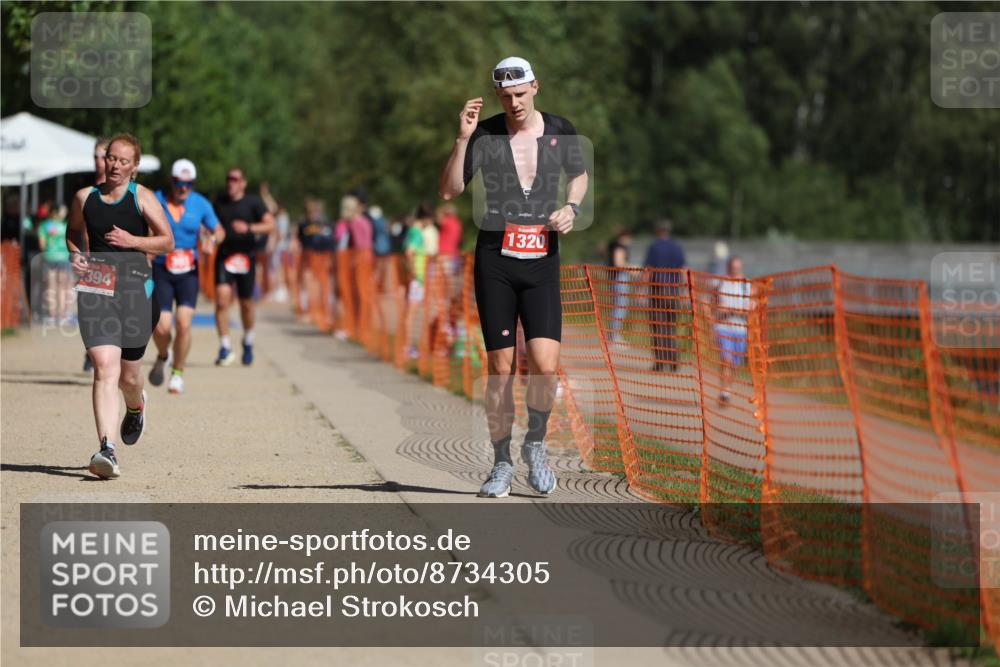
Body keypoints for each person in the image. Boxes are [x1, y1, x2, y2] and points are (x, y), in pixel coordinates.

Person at [439, 56, 588, 498]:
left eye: (520, 94)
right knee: (500, 368)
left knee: (544, 364)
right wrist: (462, 139)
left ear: (535, 87)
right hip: (495, 261)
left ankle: (535, 444)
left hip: (542, 260)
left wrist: (572, 208)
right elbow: (449, 190)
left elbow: (578, 178)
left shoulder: (561, 130)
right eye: (505, 96)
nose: (513, 102)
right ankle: (501, 462)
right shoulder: (484, 134)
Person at [66, 133, 174, 479]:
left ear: (135, 167)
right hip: (97, 287)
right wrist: (76, 255)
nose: (114, 165)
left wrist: (133, 241)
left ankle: (136, 405)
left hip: (135, 292)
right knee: (104, 368)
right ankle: (106, 449)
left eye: (123, 161)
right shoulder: (85, 198)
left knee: (128, 376)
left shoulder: (142, 198)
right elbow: (72, 232)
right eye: (110, 158)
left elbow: (167, 241)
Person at [148, 159, 224, 394]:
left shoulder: (200, 203)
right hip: (161, 268)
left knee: (183, 325)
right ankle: (163, 355)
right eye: (180, 183)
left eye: (189, 184)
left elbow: (219, 230)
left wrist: (212, 240)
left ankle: (178, 373)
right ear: (171, 181)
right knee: (161, 328)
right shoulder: (155, 198)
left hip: (188, 271)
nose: (184, 188)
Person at [213, 167, 275, 366]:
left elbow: (270, 225)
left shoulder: (253, 203)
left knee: (246, 303)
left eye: (235, 179)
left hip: (246, 257)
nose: (231, 182)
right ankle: (224, 346)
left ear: (243, 183)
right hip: (225, 256)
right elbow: (209, 225)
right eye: (228, 179)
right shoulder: (219, 202)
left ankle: (248, 341)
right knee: (222, 300)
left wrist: (249, 228)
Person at [82, 137, 111, 372]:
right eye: (95, 157)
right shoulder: (87, 192)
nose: (98, 162)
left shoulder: (124, 191)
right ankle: (92, 353)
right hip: (92, 263)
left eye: (103, 156)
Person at [644, 218, 686, 372]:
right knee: (671, 327)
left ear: (658, 230)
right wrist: (683, 291)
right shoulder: (677, 247)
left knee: (658, 327)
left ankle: (660, 362)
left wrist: (640, 290)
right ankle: (673, 360)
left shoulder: (654, 247)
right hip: (673, 291)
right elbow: (683, 269)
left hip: (658, 291)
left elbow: (649, 269)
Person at [714, 255, 751, 406]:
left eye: (737, 268)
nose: (734, 270)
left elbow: (750, 308)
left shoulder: (746, 285)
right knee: (726, 359)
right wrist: (714, 312)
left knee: (734, 364)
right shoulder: (721, 282)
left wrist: (737, 311)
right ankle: (723, 392)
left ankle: (728, 390)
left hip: (740, 329)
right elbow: (713, 302)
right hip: (723, 326)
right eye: (732, 267)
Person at [297, 198, 336, 331]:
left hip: (322, 260)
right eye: (311, 212)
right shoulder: (303, 225)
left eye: (315, 212)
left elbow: (329, 242)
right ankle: (308, 311)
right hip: (308, 259)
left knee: (323, 286)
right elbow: (301, 241)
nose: (313, 214)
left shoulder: (323, 225)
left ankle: (324, 312)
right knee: (308, 286)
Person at [38, 205, 73, 325]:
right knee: (62, 287)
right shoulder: (65, 225)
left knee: (50, 286)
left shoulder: (44, 225)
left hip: (49, 257)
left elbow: (42, 245)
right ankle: (62, 315)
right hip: (63, 257)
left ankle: (52, 315)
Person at [606, 229, 632, 344]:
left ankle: (613, 334)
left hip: (615, 278)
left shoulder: (613, 245)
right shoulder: (619, 247)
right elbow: (619, 263)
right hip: (620, 277)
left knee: (618, 306)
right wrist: (632, 269)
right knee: (620, 307)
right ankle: (614, 336)